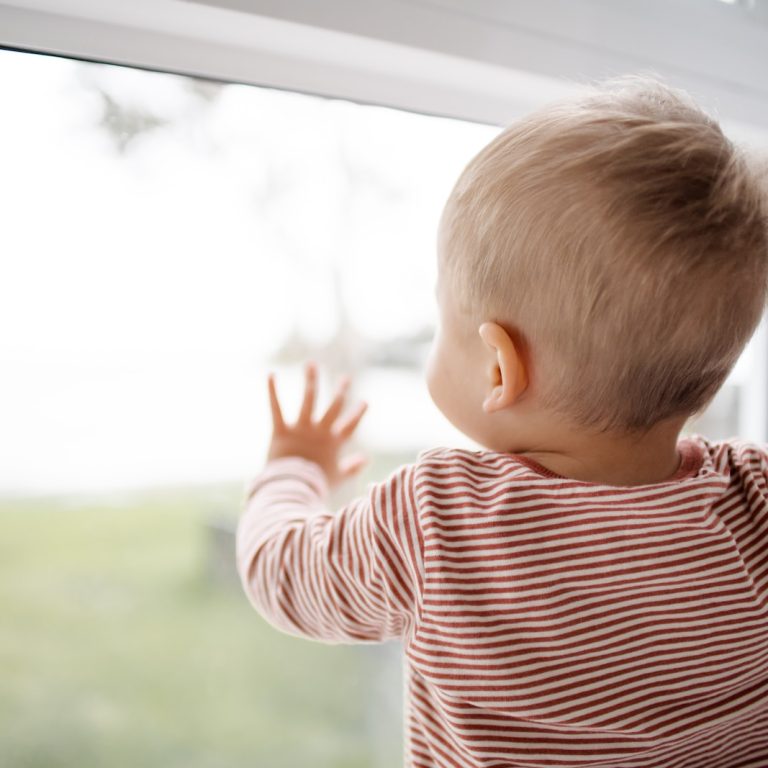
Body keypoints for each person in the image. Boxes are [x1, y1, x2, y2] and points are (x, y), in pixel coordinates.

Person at [235, 74, 768, 768]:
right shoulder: (754, 498)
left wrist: (293, 468)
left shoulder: (438, 517)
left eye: (442, 316)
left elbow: (283, 573)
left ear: (499, 368)